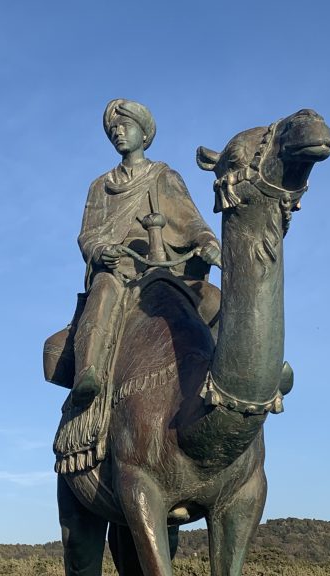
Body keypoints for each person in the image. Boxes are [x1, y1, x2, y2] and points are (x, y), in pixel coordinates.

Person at [71, 99, 221, 406]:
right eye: (113, 129)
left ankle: (244, 373)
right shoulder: (100, 186)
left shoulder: (164, 177)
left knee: (215, 299)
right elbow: (88, 234)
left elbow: (191, 221)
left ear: (144, 133)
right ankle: (89, 374)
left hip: (166, 268)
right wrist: (101, 251)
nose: (118, 133)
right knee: (101, 293)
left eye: (125, 126)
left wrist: (208, 243)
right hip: (120, 269)